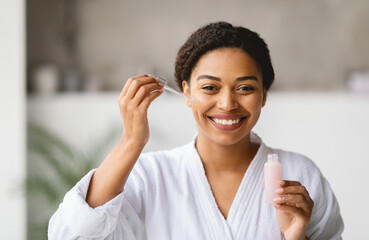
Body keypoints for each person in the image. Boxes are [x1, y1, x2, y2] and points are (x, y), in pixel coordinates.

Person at [48, 22, 344, 240]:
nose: (227, 103)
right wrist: (131, 142)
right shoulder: (150, 177)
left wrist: (296, 238)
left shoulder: (301, 175)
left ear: (264, 94)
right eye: (209, 88)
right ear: (186, 91)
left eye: (245, 88)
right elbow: (70, 235)